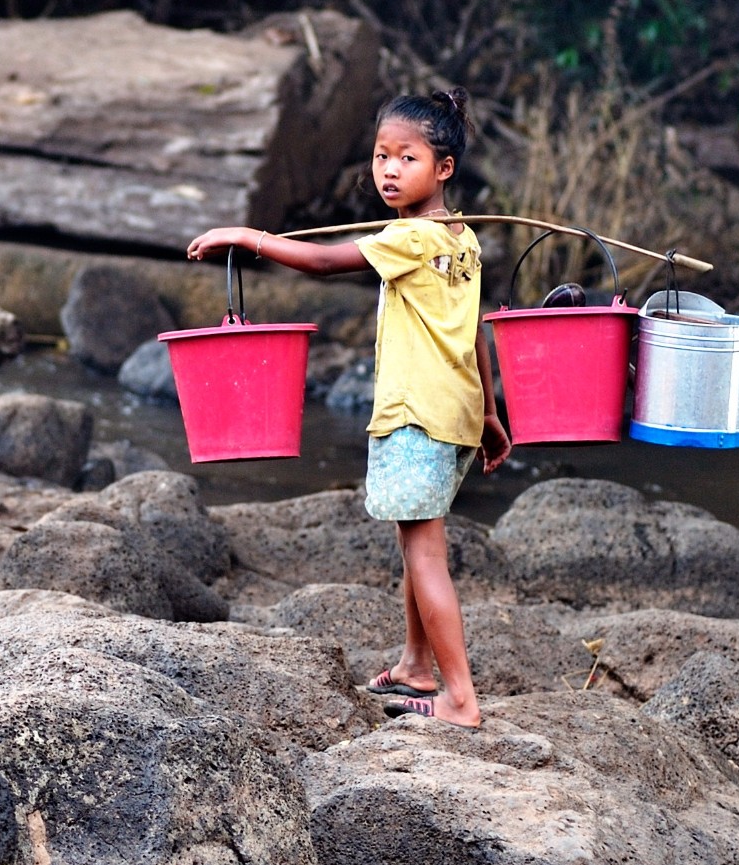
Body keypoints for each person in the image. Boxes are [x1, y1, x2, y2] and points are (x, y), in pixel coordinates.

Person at [187, 88, 511, 729]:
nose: (388, 170)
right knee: (413, 537)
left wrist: (249, 237)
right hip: (454, 409)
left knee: (425, 553)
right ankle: (418, 663)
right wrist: (491, 412)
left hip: (416, 413)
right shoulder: (462, 238)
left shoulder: (411, 237)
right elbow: (472, 325)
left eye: (407, 158)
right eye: (381, 156)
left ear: (443, 168)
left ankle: (460, 699)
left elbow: (323, 260)